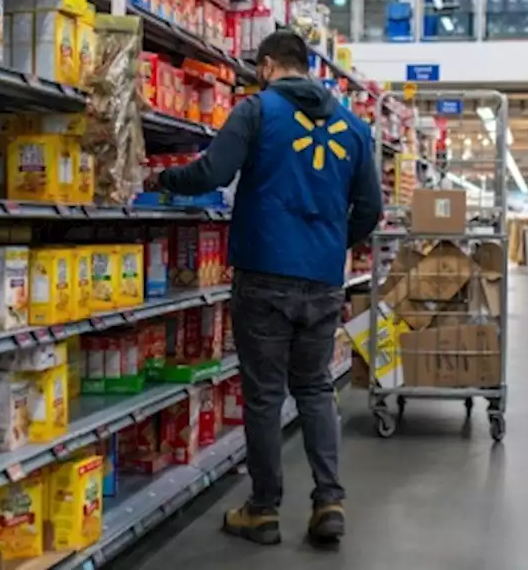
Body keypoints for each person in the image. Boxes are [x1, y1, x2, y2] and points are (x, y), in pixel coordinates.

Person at [156, 30, 382, 546]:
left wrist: (162, 182)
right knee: (315, 389)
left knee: (263, 397)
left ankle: (264, 510)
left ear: (265, 67)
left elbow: (213, 172)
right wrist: (329, 244)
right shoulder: (354, 126)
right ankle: (329, 501)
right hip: (324, 281)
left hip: (263, 274)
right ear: (308, 66)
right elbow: (370, 210)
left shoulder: (255, 111)